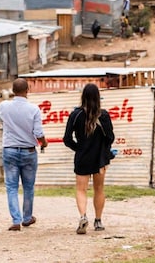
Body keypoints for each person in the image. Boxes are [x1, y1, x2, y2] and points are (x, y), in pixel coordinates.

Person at [63, 83, 115, 235]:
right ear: (98, 97)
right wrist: (105, 153)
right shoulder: (104, 115)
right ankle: (98, 221)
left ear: (82, 96)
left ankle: (83, 216)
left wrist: (78, 148)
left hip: (83, 158)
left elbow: (67, 139)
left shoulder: (76, 115)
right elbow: (110, 137)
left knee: (81, 189)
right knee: (99, 189)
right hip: (100, 159)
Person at [0, 78, 48, 231]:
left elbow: (1, 117)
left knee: (11, 187)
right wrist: (44, 143)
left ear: (13, 90)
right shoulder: (34, 109)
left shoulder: (4, 106)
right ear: (28, 90)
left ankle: (15, 220)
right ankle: (27, 218)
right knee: (28, 187)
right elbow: (38, 133)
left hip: (10, 150)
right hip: (29, 151)